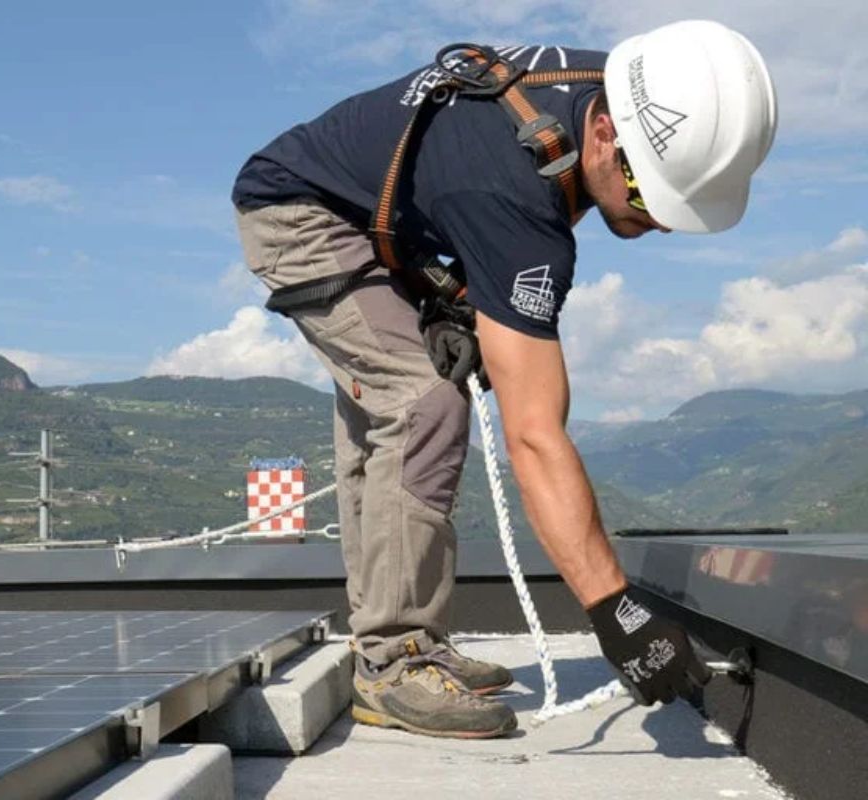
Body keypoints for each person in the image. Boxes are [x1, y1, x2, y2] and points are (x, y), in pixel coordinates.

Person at [231, 20, 777, 739]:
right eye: (650, 197)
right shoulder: (516, 199)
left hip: (370, 212)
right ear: (606, 135)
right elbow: (533, 435)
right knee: (421, 402)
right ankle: (392, 662)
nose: (661, 224)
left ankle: (403, 640)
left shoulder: (611, 91)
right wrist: (617, 610)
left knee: (403, 403)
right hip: (301, 214)